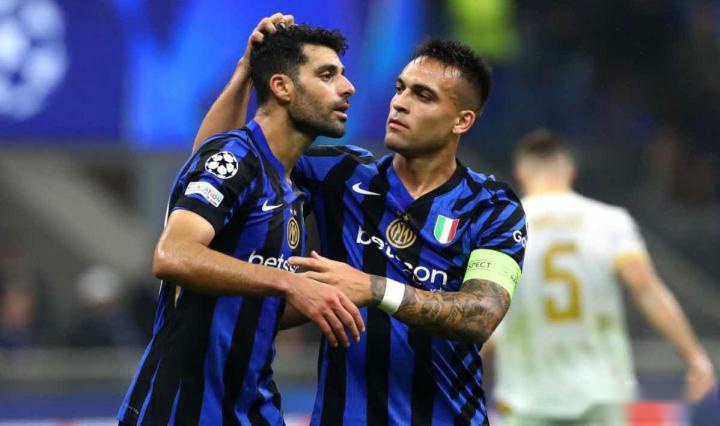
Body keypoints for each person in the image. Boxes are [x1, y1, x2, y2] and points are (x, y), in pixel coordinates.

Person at [194, 29, 526, 425]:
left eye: (423, 96)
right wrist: (246, 74)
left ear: (462, 120)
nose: (399, 103)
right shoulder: (343, 174)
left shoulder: (492, 206)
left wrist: (374, 288)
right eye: (400, 89)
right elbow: (216, 166)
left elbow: (482, 314)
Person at [118, 16, 364, 425]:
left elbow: (256, 306)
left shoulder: (288, 188)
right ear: (282, 87)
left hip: (251, 408)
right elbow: (172, 254)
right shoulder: (240, 159)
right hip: (180, 411)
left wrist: (329, 295)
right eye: (327, 75)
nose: (347, 86)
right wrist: (290, 282)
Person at [488, 129, 717, 425]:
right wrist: (694, 357)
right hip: (601, 392)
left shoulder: (501, 229)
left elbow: (484, 315)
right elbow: (647, 290)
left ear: (521, 172)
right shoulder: (609, 221)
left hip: (527, 395)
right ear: (570, 170)